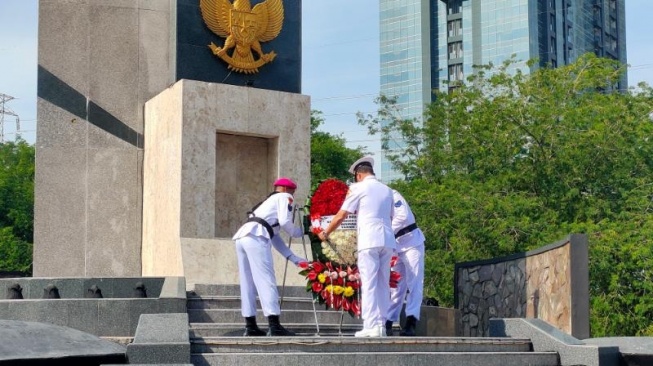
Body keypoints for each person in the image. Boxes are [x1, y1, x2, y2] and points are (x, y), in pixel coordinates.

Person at [318, 156, 396, 337]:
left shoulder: (357, 187)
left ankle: (370, 326)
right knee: (383, 283)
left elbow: (341, 215)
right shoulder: (388, 190)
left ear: (359, 175)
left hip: (369, 240)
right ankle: (382, 326)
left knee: (369, 283)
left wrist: (326, 232)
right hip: (387, 239)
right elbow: (391, 215)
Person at [232, 177, 308, 336]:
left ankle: (250, 326)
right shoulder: (284, 197)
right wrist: (303, 231)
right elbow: (285, 222)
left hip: (243, 236)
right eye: (293, 192)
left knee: (248, 283)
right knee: (266, 280)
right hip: (256, 237)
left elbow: (275, 237)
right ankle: (274, 326)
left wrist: (294, 258)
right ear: (288, 190)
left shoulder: (268, 202)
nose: (293, 197)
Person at [385, 189, 425, 336]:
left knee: (414, 281)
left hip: (411, 241)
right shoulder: (375, 199)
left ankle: (411, 322)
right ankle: (388, 321)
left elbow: (403, 216)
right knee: (396, 285)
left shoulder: (392, 195)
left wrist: (385, 232)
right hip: (395, 244)